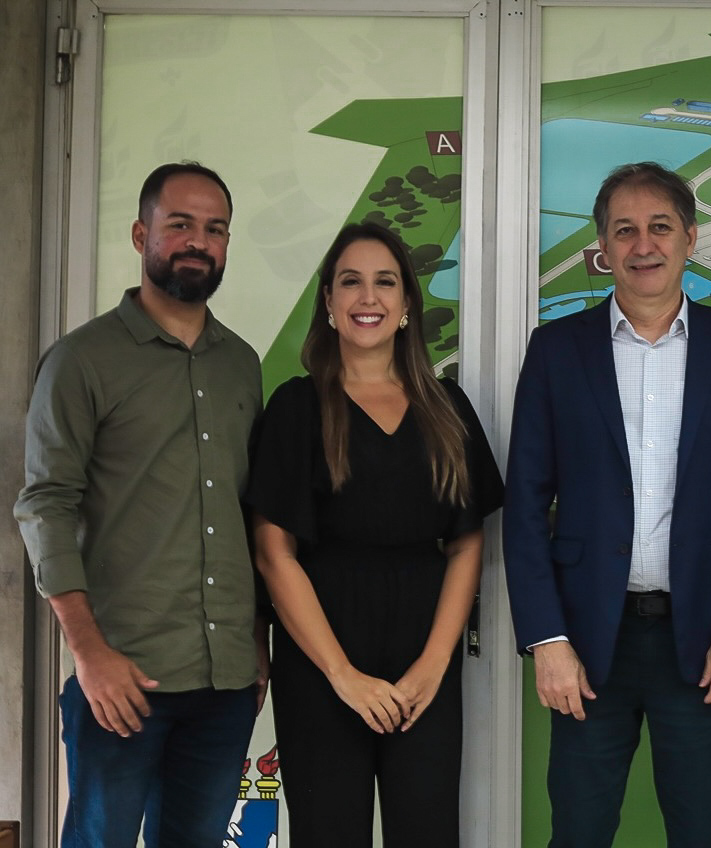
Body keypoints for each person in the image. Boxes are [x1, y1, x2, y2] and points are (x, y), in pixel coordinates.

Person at [503, 162, 711, 847]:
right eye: (623, 230)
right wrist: (547, 640)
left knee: (699, 832)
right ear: (603, 248)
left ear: (688, 238)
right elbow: (523, 506)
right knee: (577, 830)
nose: (642, 245)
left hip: (701, 646)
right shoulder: (556, 351)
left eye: (659, 227)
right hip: (586, 645)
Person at [15, 162, 267, 847]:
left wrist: (258, 646)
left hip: (224, 682)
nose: (198, 241)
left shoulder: (241, 364)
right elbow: (45, 505)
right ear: (140, 234)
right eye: (179, 224)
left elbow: (252, 514)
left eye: (214, 229)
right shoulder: (82, 361)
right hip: (122, 679)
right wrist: (88, 652)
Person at [247, 222, 503, 846]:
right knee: (327, 833)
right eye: (351, 282)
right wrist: (342, 676)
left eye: (385, 282)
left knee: (428, 832)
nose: (369, 297)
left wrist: (432, 666)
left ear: (408, 303)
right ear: (329, 303)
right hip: (321, 664)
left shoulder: (448, 407)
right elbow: (272, 553)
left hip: (425, 659)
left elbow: (468, 540)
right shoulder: (296, 408)